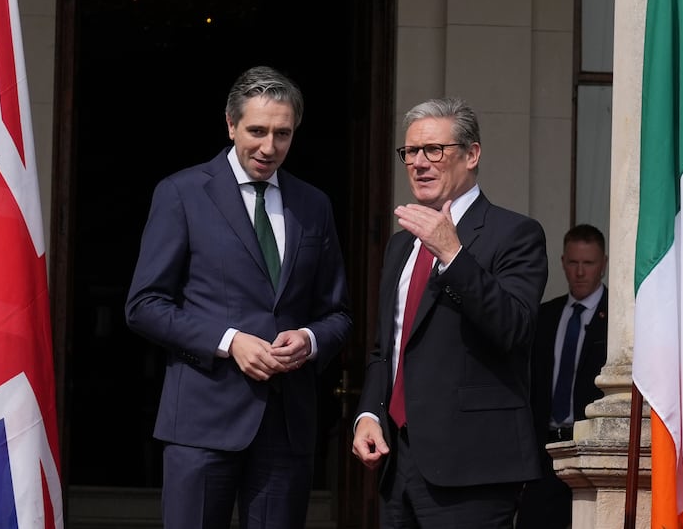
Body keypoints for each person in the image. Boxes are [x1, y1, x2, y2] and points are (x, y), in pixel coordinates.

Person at [125, 65, 352, 529]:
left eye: (283, 134)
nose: (269, 147)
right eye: (257, 131)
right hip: (201, 422)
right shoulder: (182, 193)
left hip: (286, 429)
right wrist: (230, 341)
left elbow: (338, 313)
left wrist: (309, 339)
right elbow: (144, 304)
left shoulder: (313, 204)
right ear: (230, 125)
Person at [351, 97, 549, 528]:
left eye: (434, 150)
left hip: (473, 469)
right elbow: (388, 347)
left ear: (472, 154)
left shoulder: (515, 234)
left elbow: (514, 328)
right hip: (397, 465)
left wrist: (453, 254)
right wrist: (369, 413)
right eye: (411, 153)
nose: (419, 163)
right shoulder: (401, 244)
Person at [515, 223, 609, 529]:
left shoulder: (619, 319)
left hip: (593, 452)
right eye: (573, 262)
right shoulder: (544, 316)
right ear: (563, 263)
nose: (580, 272)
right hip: (545, 454)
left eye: (589, 263)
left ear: (604, 265)